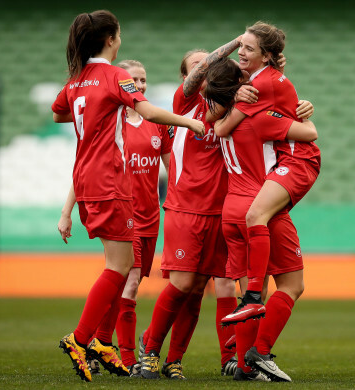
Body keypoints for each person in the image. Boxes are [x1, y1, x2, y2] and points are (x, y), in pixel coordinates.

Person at [52, 10, 204, 382]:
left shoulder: (77, 80)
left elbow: (59, 114)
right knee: (120, 268)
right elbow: (147, 109)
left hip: (86, 180)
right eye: (118, 36)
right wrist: (188, 121)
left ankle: (102, 341)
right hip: (109, 182)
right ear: (110, 40)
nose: (120, 41)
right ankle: (81, 338)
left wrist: (98, 113)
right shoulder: (113, 75)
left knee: (121, 268)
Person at [209, 22, 321, 382]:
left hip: (254, 190)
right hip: (266, 187)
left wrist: (246, 90)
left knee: (255, 282)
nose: (241, 52)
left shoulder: (253, 90)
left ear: (267, 56)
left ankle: (246, 356)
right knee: (290, 284)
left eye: (248, 48)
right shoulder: (259, 87)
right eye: (240, 47)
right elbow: (307, 130)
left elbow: (219, 125)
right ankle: (256, 348)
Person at [57, 59, 173, 377]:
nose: (139, 85)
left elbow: (172, 169)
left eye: (144, 79)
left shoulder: (156, 124)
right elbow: (85, 168)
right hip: (121, 208)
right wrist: (66, 212)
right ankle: (122, 353)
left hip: (149, 215)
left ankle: (100, 345)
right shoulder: (111, 116)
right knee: (129, 281)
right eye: (133, 79)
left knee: (124, 279)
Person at [138, 37, 245, 381]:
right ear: (188, 74)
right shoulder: (183, 105)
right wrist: (237, 43)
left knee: (200, 288)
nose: (206, 68)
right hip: (186, 208)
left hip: (221, 211)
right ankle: (149, 350)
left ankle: (175, 360)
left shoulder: (228, 106)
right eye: (198, 65)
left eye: (209, 65)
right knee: (182, 284)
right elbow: (200, 72)